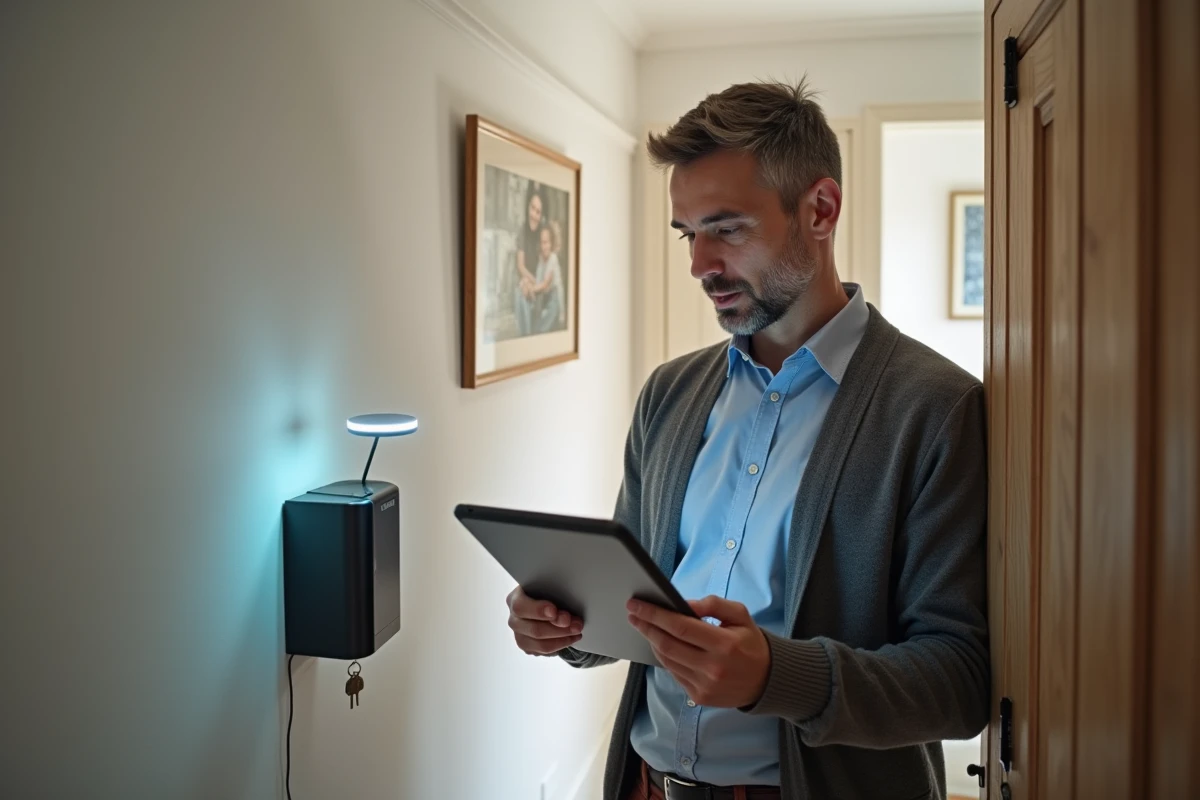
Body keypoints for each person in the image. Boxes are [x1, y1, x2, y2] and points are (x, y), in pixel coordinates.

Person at [505, 79, 989, 800]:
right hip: (643, 784)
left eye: (727, 229)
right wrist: (565, 627)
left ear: (820, 210)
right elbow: (630, 603)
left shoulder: (936, 407)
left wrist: (776, 677)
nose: (700, 264)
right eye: (687, 233)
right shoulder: (668, 394)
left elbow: (960, 679)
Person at [514, 188, 544, 336]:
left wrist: (536, 283)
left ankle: (529, 337)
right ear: (528, 208)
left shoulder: (543, 234)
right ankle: (526, 337)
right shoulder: (522, 231)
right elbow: (520, 266)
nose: (534, 215)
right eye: (533, 208)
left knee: (526, 293)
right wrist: (528, 281)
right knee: (521, 293)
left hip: (541, 282)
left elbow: (544, 268)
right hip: (528, 279)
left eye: (538, 212)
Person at [532, 225, 565, 333]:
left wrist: (532, 289)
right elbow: (538, 281)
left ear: (551, 244)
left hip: (555, 299)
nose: (543, 246)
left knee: (542, 327)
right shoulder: (541, 260)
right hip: (545, 297)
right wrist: (530, 285)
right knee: (536, 312)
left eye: (546, 243)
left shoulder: (553, 258)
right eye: (541, 243)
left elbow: (545, 284)